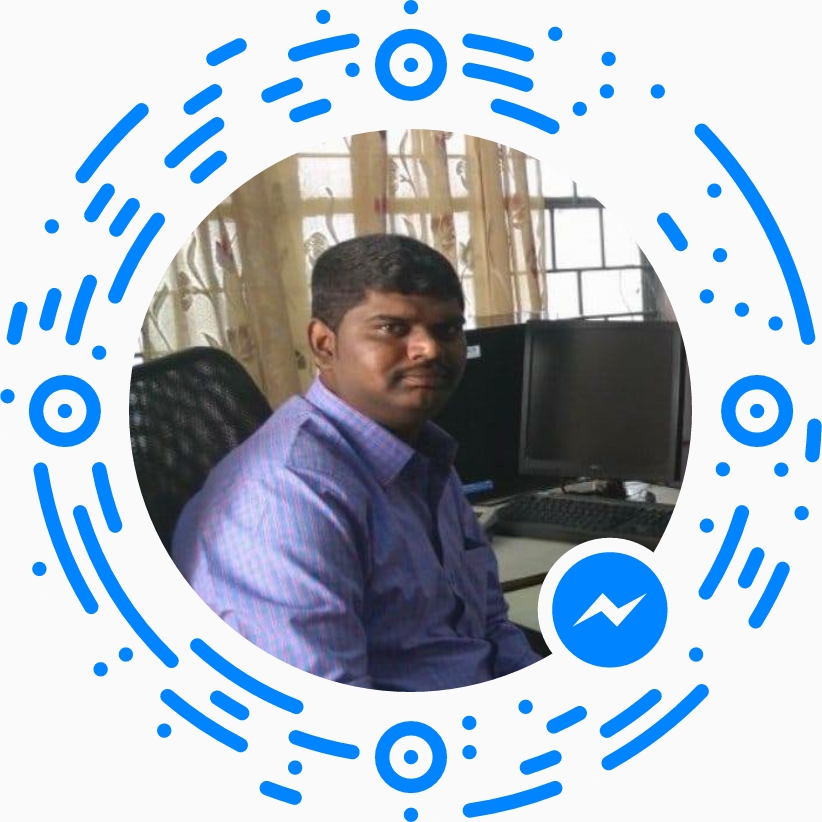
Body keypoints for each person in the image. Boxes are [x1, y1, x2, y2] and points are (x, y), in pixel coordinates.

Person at [172, 234, 541, 690]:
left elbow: (490, 626)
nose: (429, 349)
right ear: (324, 344)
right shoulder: (285, 501)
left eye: (447, 329)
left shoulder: (423, 451)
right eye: (393, 328)